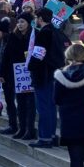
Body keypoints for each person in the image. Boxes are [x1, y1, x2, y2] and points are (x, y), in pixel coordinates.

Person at [28, 8, 61, 148]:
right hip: (54, 73)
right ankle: (52, 136)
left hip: (43, 74)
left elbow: (38, 55)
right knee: (51, 107)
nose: (35, 20)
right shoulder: (56, 31)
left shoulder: (44, 33)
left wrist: (30, 67)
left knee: (44, 107)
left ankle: (45, 137)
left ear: (40, 18)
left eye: (36, 18)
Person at [0, 14, 36, 139]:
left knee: (30, 103)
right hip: (16, 74)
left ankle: (29, 129)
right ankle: (22, 128)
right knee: (20, 102)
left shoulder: (34, 35)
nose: (20, 24)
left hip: (30, 73)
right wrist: (2, 73)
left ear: (29, 23)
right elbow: (6, 55)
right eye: (19, 22)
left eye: (23, 22)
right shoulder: (13, 36)